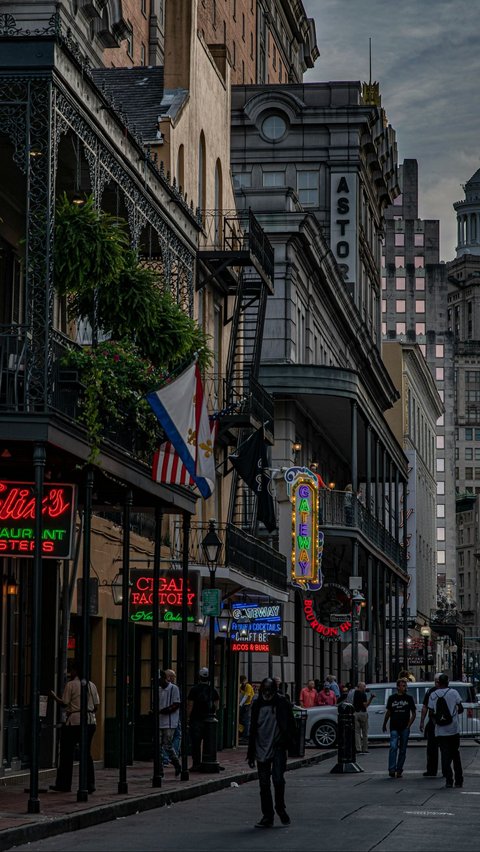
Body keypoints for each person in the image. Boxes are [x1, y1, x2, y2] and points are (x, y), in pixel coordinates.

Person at [247, 677, 296, 828]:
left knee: (278, 780)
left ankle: (280, 808)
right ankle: (267, 815)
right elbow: (253, 729)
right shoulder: (257, 704)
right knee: (264, 784)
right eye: (265, 690)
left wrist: (288, 743)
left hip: (278, 747)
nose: (267, 694)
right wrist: (251, 753)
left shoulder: (282, 702)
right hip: (261, 747)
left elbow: (291, 724)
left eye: (270, 690)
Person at [49, 663, 99, 794]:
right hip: (90, 721)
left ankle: (64, 783)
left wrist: (54, 697)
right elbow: (96, 706)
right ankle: (90, 783)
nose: (70, 672)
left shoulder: (71, 685)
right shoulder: (91, 685)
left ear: (75, 671)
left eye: (71, 670)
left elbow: (65, 703)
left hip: (74, 721)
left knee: (66, 753)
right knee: (86, 753)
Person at [428, 672, 464, 788]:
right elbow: (461, 708)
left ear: (438, 683)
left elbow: (431, 713)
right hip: (453, 728)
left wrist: (437, 723)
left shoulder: (433, 695)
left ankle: (449, 780)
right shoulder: (454, 693)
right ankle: (459, 780)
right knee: (456, 754)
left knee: (444, 754)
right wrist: (453, 715)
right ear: (448, 682)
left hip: (441, 730)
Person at [382, 678, 416, 778]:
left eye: (406, 686)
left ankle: (399, 769)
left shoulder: (409, 698)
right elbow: (388, 712)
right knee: (393, 747)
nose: (405, 688)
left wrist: (408, 725)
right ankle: (392, 769)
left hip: (404, 727)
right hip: (394, 726)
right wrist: (384, 723)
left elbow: (413, 713)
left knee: (403, 749)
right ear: (398, 687)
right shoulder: (392, 698)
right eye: (403, 686)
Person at [187, 667, 219, 771]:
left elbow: (190, 705)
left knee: (195, 743)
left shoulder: (194, 689)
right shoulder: (213, 690)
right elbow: (216, 706)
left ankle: (196, 763)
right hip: (209, 719)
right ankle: (207, 761)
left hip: (196, 719)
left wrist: (188, 717)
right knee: (209, 742)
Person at [158, 669, 182, 777]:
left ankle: (176, 763)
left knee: (167, 745)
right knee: (157, 746)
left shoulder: (173, 688)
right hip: (159, 721)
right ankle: (159, 770)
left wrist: (164, 710)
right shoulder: (158, 690)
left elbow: (176, 704)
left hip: (170, 722)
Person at [419, 672, 441, 777]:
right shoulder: (452, 692)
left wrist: (422, 721)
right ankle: (444, 771)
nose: (437, 683)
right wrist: (422, 721)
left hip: (434, 722)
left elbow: (425, 707)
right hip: (443, 723)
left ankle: (432, 770)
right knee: (441, 748)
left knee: (433, 748)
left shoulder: (431, 692)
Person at [352, 682, 375, 754]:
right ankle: (365, 748)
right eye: (364, 686)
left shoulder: (354, 694)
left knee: (357, 732)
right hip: (363, 713)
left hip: (355, 713)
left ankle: (358, 748)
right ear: (360, 687)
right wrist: (371, 698)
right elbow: (365, 705)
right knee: (365, 732)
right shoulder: (363, 695)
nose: (365, 688)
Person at [239, 674, 254, 742]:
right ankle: (242, 733)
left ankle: (246, 735)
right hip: (244, 704)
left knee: (246, 720)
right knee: (242, 719)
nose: (242, 683)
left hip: (248, 704)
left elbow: (246, 696)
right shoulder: (241, 686)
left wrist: (240, 704)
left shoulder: (248, 686)